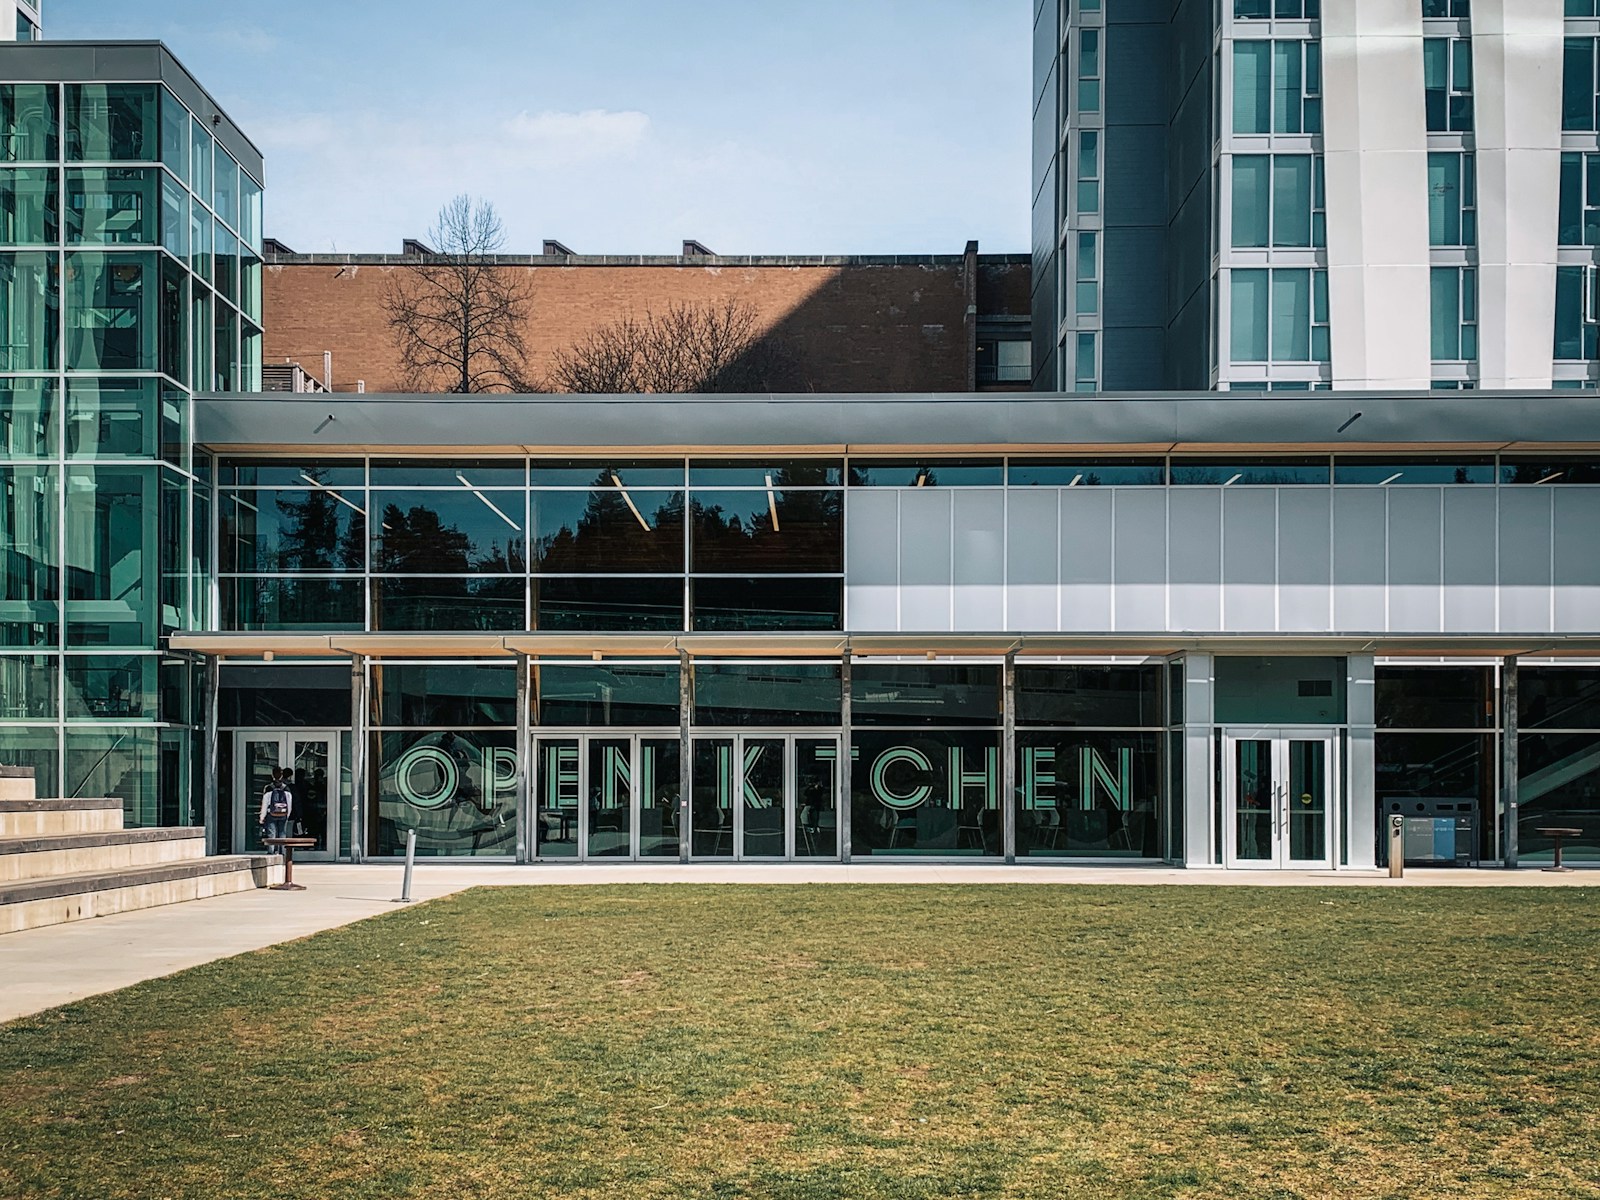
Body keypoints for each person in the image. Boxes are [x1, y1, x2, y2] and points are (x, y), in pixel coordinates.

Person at [258, 768, 294, 848]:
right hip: (283, 814)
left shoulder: (269, 788)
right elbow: (289, 803)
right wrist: (287, 814)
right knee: (282, 833)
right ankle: (282, 853)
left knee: (272, 833)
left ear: (272, 775)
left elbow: (265, 803)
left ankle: (272, 853)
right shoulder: (286, 788)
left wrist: (262, 816)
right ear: (282, 775)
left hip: (271, 814)